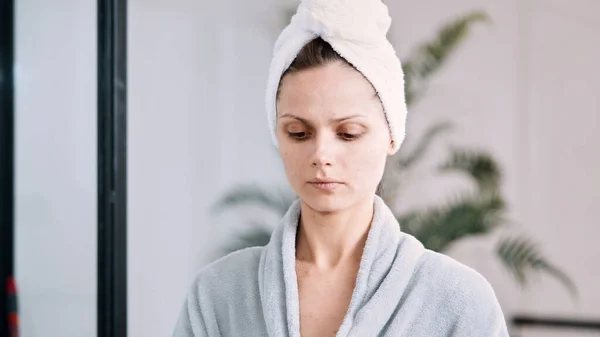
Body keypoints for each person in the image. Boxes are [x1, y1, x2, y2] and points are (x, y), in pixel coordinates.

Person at [173, 0, 509, 336]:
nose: (321, 154)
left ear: (392, 135)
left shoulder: (458, 303)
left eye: (348, 134)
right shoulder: (219, 295)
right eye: (299, 133)